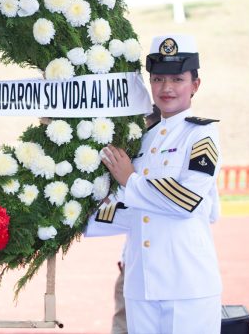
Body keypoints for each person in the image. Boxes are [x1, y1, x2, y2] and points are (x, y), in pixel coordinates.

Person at [87, 34, 222, 334]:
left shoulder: (201, 135)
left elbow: (189, 201)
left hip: (188, 286)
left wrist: (131, 180)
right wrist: (78, 220)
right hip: (141, 285)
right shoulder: (143, 140)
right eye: (158, 79)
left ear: (195, 85)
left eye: (177, 79)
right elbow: (130, 209)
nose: (167, 88)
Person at [111, 105, 161, 334]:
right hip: (133, 263)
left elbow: (208, 211)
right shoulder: (132, 162)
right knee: (124, 324)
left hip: (168, 265)